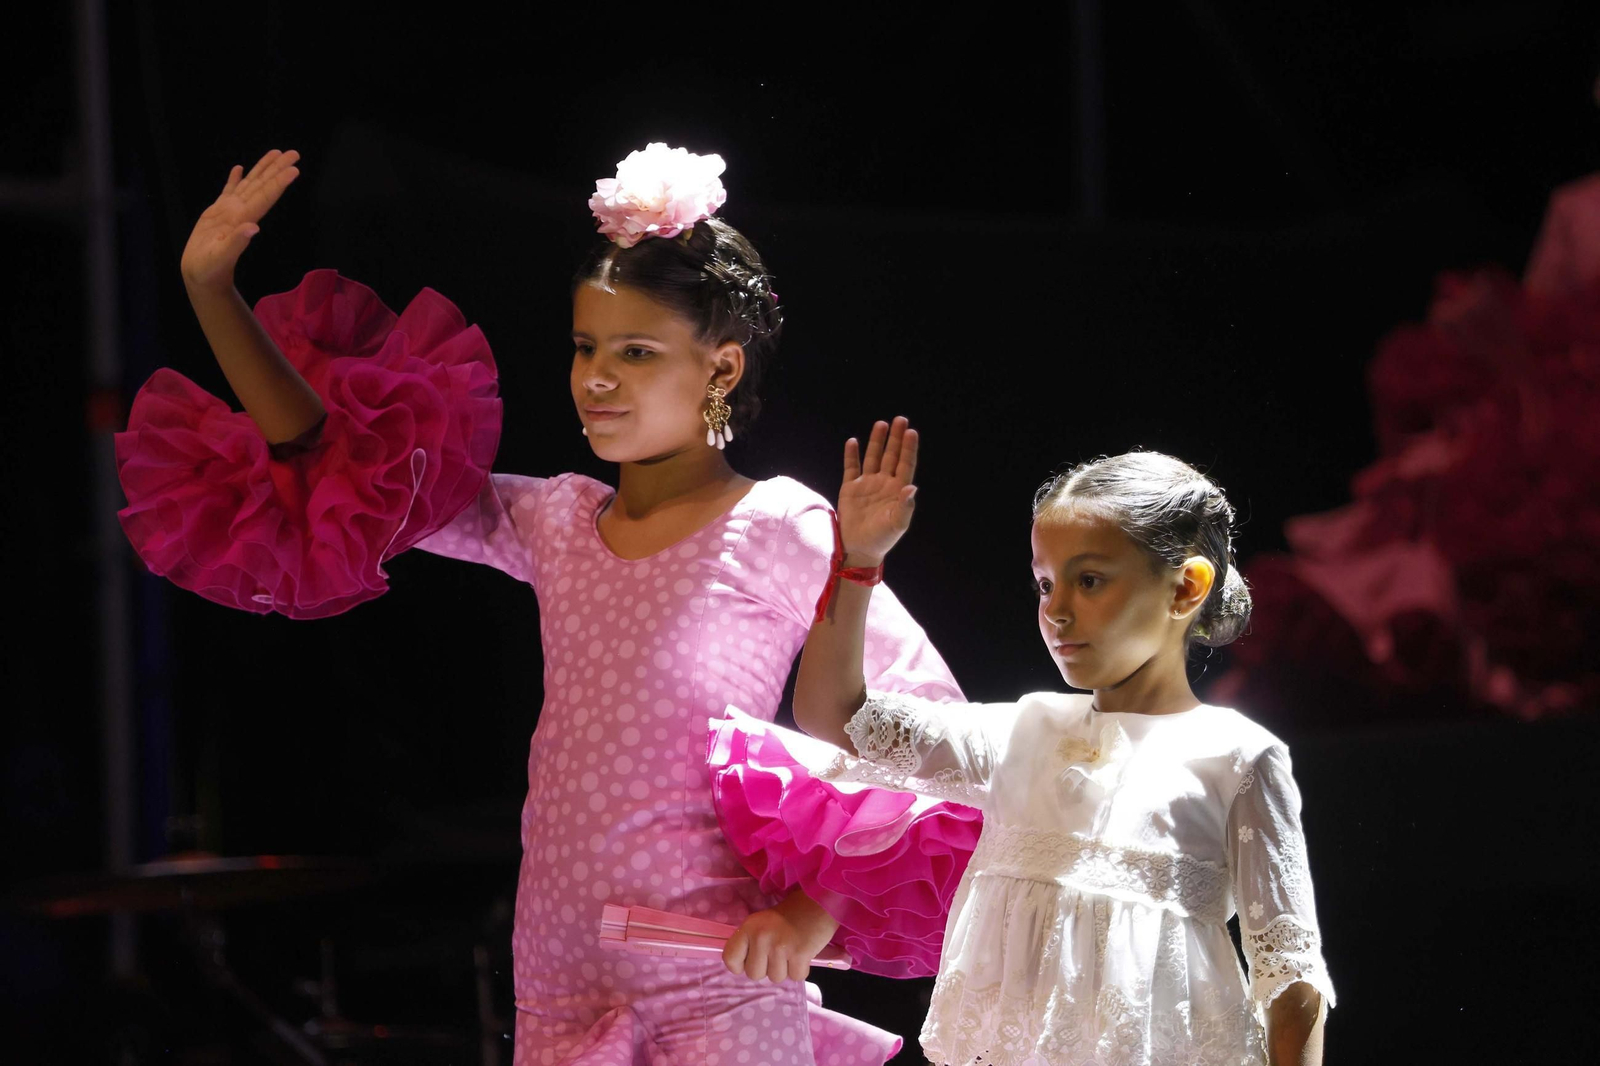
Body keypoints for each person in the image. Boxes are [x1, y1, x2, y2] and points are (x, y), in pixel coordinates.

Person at [115, 144, 979, 1064]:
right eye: (585, 347)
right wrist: (213, 292)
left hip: (709, 975)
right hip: (558, 977)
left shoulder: (778, 525)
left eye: (637, 353)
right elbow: (336, 463)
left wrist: (816, 910)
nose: (598, 377)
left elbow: (927, 729)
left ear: (721, 368)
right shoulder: (556, 520)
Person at [793, 421, 1334, 1065]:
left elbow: (1289, 972)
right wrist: (857, 561)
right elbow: (834, 715)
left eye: (1090, 580)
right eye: (1045, 584)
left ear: (1186, 587)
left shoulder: (1238, 756)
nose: (1057, 610)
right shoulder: (1022, 732)